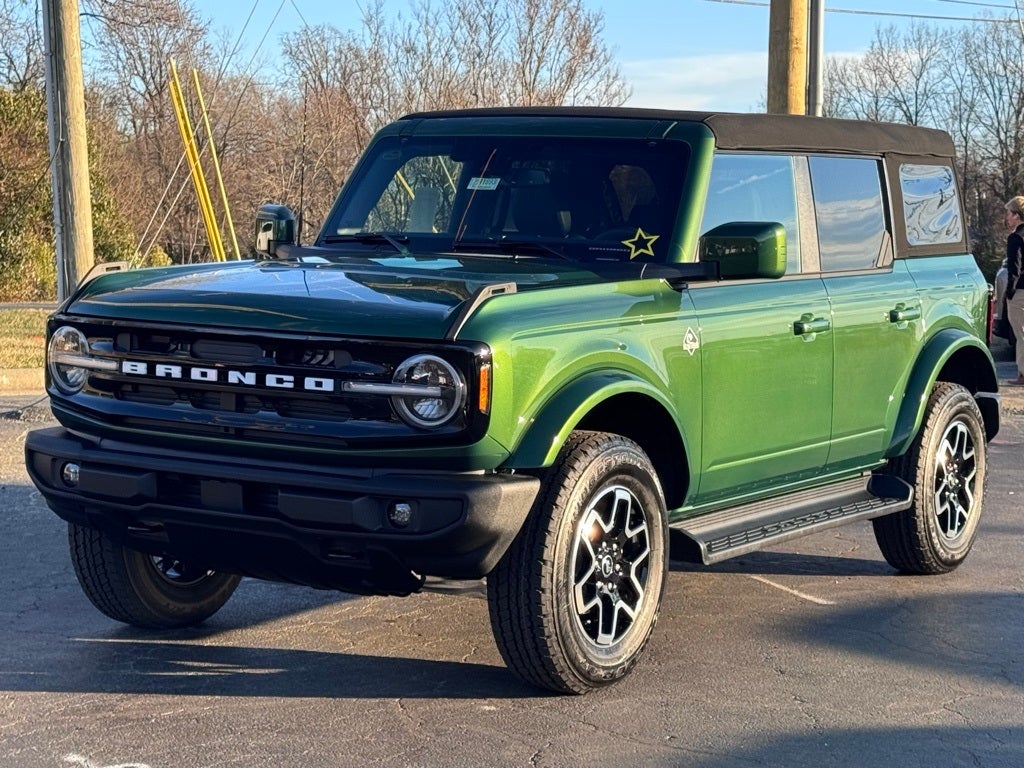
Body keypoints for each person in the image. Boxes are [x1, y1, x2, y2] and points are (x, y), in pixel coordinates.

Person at [1003, 196, 1024, 384]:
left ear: (1017, 216)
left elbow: (1014, 268)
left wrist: (1009, 292)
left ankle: (1023, 373)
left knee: (1021, 334)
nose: (1007, 218)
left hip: (1020, 292)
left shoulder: (1015, 238)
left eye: (1009, 213)